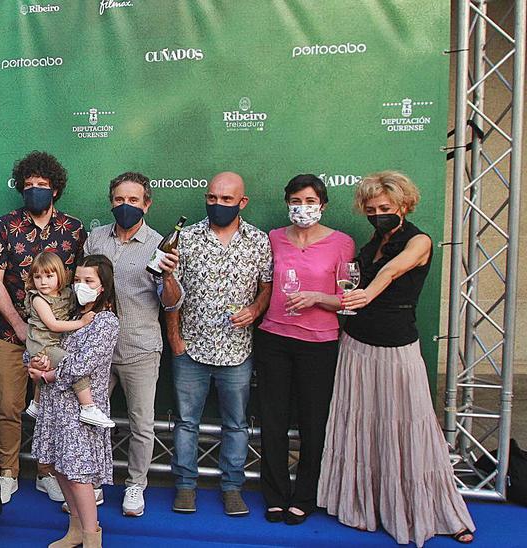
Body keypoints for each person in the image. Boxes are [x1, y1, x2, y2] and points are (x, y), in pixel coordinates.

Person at [319, 171, 475, 545]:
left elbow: (392, 271)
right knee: (364, 428)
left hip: (397, 350)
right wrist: (315, 298)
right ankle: (366, 505)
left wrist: (369, 292)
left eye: (385, 208)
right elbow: (350, 292)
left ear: (404, 205)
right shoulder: (372, 242)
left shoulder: (418, 240)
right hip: (357, 347)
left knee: (410, 426)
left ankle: (437, 511)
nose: (378, 214)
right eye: (371, 209)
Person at [166, 171, 272, 516]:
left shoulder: (258, 240)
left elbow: (266, 285)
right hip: (191, 348)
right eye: (212, 198)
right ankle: (184, 486)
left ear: (243, 202)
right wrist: (175, 338)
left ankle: (232, 487)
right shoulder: (187, 238)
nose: (217, 204)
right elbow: (171, 297)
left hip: (238, 351)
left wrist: (256, 309)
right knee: (186, 423)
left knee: (237, 424)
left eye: (226, 199)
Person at [0, 150, 86, 503]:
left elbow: (82, 284)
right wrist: (20, 325)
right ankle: (7, 472)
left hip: (57, 341)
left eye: (42, 185)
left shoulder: (74, 229)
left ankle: (47, 472)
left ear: (55, 189)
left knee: (53, 407)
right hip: (12, 336)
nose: (35, 190)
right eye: (29, 185)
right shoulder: (4, 226)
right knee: (10, 406)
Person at [254, 175, 354, 524]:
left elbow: (348, 299)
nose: (303, 208)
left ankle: (306, 495)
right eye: (296, 201)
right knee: (273, 421)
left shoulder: (342, 243)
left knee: (314, 423)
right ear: (287, 203)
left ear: (323, 205)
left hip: (320, 343)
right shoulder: (274, 239)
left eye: (310, 201)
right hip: (274, 339)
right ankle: (275, 495)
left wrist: (317, 298)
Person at [81, 171, 182, 517]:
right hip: (96, 349)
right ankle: (90, 481)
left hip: (139, 347)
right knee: (89, 418)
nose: (126, 206)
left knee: (141, 423)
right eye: (120, 200)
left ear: (147, 204)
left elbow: (171, 302)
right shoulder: (95, 239)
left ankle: (136, 485)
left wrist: (168, 276)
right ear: (111, 202)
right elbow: (82, 289)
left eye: (134, 200)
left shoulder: (159, 246)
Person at [30, 254, 120, 548]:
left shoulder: (105, 322)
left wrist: (48, 375)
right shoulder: (67, 315)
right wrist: (36, 364)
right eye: (78, 279)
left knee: (79, 476)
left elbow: (82, 365)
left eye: (89, 281)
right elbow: (43, 345)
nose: (81, 285)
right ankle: (76, 530)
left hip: (80, 414)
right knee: (60, 469)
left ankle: (93, 537)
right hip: (56, 408)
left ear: (103, 286)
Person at [23, 251, 110, 429]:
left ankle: (36, 405)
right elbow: (54, 325)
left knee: (59, 365)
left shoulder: (67, 295)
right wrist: (82, 322)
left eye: (49, 276)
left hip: (53, 345)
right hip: (44, 344)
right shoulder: (38, 300)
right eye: (38, 277)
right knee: (68, 362)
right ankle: (87, 407)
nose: (43, 281)